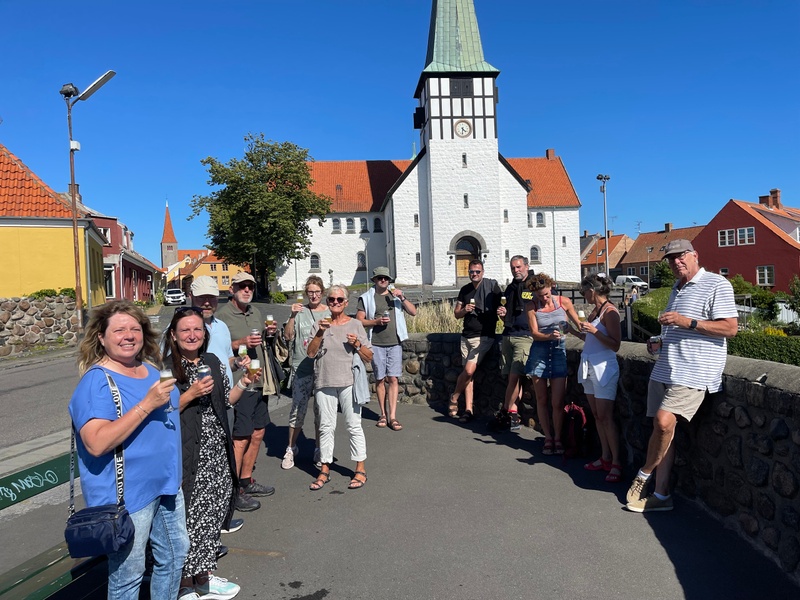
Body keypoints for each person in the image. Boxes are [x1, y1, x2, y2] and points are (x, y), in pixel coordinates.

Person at [68, 300, 188, 599]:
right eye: (119, 330)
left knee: (175, 556)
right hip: (128, 496)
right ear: (101, 337)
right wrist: (146, 404)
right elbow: (96, 443)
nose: (129, 335)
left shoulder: (149, 369)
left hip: (166, 485)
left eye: (135, 328)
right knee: (129, 575)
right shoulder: (97, 381)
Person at [626, 240, 737, 512]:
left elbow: (730, 328)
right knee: (664, 432)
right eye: (671, 258)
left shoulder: (717, 284)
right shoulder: (677, 288)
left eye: (681, 256)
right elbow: (675, 329)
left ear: (695, 255)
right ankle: (662, 496)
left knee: (663, 423)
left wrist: (686, 321)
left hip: (694, 370)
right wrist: (659, 341)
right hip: (666, 367)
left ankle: (643, 475)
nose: (676, 262)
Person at [163, 308, 256, 600]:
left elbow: (226, 400)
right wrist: (190, 394)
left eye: (197, 330)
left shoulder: (212, 361)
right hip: (189, 452)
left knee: (213, 512)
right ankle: (184, 584)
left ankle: (203, 579)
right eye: (185, 330)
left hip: (217, 449)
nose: (192, 335)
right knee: (190, 518)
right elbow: (160, 412)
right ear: (173, 335)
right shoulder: (166, 369)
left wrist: (244, 382)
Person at [190, 275, 249, 531]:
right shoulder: (183, 327)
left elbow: (226, 361)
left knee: (222, 462)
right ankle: (203, 528)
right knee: (200, 467)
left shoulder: (221, 327)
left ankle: (220, 518)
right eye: (201, 297)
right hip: (198, 405)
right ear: (191, 297)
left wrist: (238, 364)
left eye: (211, 297)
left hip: (225, 401)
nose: (207, 302)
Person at [216, 272, 276, 511]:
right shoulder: (222, 316)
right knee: (240, 437)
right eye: (242, 286)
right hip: (239, 383)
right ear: (232, 289)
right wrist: (240, 343)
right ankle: (233, 491)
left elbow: (262, 341)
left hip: (259, 380)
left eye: (250, 286)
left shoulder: (256, 312)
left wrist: (269, 334)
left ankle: (246, 480)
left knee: (258, 432)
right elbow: (219, 348)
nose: (247, 290)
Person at [306, 285, 373, 491]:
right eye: (332, 299)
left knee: (354, 425)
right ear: (327, 302)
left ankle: (360, 469)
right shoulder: (319, 324)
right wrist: (320, 332)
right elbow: (310, 353)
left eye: (339, 299)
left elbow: (369, 356)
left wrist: (357, 345)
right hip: (324, 381)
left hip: (348, 382)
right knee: (326, 426)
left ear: (346, 303)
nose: (335, 302)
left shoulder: (355, 324)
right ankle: (324, 469)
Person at [525, 273, 582, 455]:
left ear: (551, 288)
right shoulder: (531, 306)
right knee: (542, 399)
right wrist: (549, 336)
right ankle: (548, 438)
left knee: (557, 401)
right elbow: (534, 333)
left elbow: (577, 324)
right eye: (540, 296)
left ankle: (558, 438)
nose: (544, 298)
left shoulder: (564, 302)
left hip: (558, 353)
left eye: (546, 294)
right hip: (539, 354)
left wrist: (585, 333)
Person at [356, 266, 417, 431]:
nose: (383, 280)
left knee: (393, 379)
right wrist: (376, 322)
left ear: (389, 280)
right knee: (380, 379)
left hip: (395, 342)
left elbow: (413, 312)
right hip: (376, 343)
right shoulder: (366, 297)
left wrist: (402, 297)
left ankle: (393, 416)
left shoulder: (395, 296)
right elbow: (359, 321)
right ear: (375, 280)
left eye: (386, 278)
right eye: (380, 278)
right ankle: (383, 414)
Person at [575, 274, 622, 482]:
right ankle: (605, 457)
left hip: (604, 368)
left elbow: (615, 344)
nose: (583, 295)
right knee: (596, 415)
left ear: (592, 290)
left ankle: (616, 462)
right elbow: (590, 338)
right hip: (590, 366)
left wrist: (594, 330)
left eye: (584, 291)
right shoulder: (596, 310)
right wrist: (572, 331)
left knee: (605, 416)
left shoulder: (610, 312)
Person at [280, 276, 330, 469]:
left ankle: (318, 448)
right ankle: (291, 448)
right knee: (297, 410)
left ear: (322, 292)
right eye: (310, 292)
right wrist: (292, 316)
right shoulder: (299, 312)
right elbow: (288, 336)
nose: (314, 295)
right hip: (301, 366)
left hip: (323, 369)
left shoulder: (328, 312)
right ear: (306, 293)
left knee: (321, 412)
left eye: (317, 292)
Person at [448, 260, 502, 423]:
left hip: (484, 336)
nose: (474, 274)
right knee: (468, 376)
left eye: (477, 271)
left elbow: (501, 305)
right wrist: (465, 310)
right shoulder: (465, 290)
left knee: (469, 371)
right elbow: (456, 314)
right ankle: (468, 410)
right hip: (466, 336)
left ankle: (454, 397)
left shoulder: (492, 287)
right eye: (472, 271)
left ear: (483, 272)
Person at [494, 256, 535, 431]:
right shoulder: (510, 288)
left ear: (526, 266)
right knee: (511, 377)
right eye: (513, 268)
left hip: (525, 336)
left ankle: (504, 412)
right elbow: (508, 317)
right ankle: (513, 414)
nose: (515, 270)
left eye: (518, 267)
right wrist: (503, 314)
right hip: (508, 334)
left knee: (514, 377)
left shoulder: (535, 285)